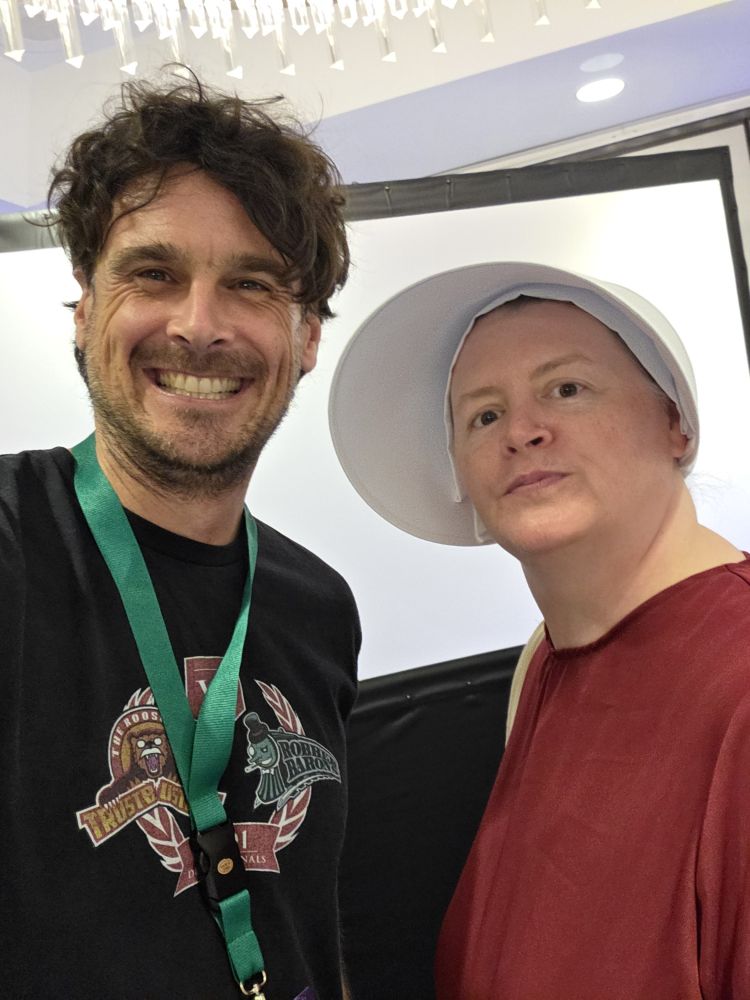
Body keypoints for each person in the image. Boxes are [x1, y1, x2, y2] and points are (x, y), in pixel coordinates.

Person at [1, 73, 360, 1000]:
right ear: (85, 312)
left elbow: (300, 919)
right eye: (154, 274)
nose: (199, 327)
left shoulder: (318, 607)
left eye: (250, 283)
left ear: (307, 333)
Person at [328, 260, 750, 999]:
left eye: (566, 388)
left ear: (675, 424)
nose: (522, 432)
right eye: (484, 414)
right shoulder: (545, 665)